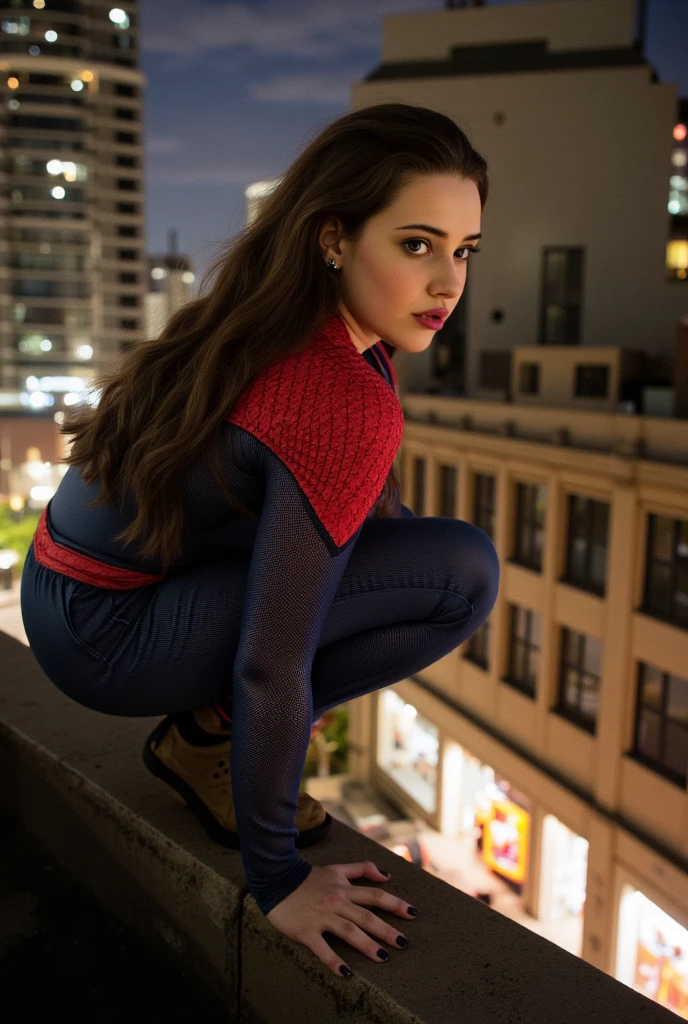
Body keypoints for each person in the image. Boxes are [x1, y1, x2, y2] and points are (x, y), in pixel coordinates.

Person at [20, 102, 499, 979]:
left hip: (60, 585)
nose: (448, 283)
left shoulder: (285, 322)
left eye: (463, 251)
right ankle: (206, 745)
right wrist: (277, 877)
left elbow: (346, 528)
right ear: (334, 239)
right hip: (104, 634)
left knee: (404, 553)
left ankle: (201, 740)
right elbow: (271, 662)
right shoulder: (333, 389)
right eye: (417, 244)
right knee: (463, 575)